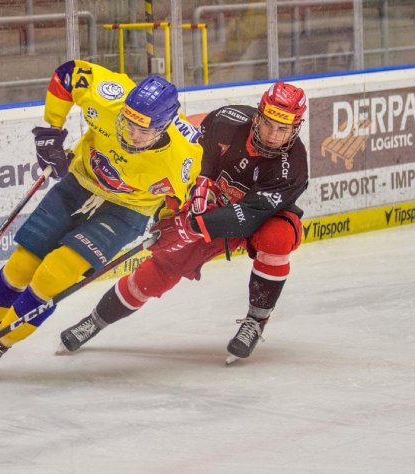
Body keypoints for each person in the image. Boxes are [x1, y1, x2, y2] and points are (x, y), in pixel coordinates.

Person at [0, 60, 203, 381]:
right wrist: (52, 130)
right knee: (22, 263)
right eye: (127, 123)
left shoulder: (183, 157)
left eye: (142, 131)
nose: (131, 134)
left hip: (127, 210)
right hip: (80, 181)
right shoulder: (110, 96)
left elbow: (182, 203)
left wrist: (168, 225)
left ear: (162, 128)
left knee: (54, 274)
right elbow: (67, 74)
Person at [58, 81, 309, 362]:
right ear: (258, 116)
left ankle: (255, 320)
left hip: (260, 218)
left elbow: (249, 216)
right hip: (213, 207)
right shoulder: (228, 120)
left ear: (295, 128)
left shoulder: (293, 166)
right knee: (158, 272)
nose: (273, 135)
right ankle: (95, 320)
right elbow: (192, 151)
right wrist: (196, 188)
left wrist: (189, 226)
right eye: (269, 124)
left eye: (283, 129)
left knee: (277, 238)